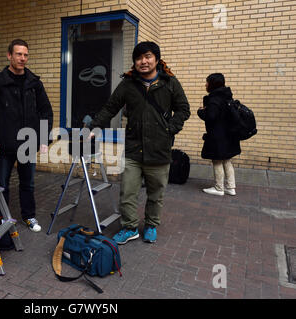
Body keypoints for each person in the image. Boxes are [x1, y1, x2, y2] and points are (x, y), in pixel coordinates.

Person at [88, 41, 190, 244]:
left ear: (156, 59)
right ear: (135, 61)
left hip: (160, 150)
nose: (143, 61)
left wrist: (169, 129)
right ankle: (130, 227)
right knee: (127, 192)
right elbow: (111, 107)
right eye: (139, 58)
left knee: (156, 193)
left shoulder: (169, 82)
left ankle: (151, 225)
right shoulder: (128, 84)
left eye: (148, 56)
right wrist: (95, 126)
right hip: (134, 149)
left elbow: (183, 109)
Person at [0, 39, 53, 233]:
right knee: (2, 185)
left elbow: (46, 111)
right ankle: (1, 218)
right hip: (4, 144)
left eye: (25, 55)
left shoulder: (34, 83)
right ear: (9, 55)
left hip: (27, 144)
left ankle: (28, 216)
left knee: (28, 183)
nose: (22, 58)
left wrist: (43, 138)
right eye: (18, 54)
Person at [197, 73, 240, 196]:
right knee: (227, 160)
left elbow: (211, 117)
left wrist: (200, 112)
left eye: (207, 82)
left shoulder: (214, 99)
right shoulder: (227, 96)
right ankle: (231, 188)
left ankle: (219, 188)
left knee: (217, 161)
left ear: (213, 84)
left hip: (217, 136)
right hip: (228, 135)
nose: (205, 84)